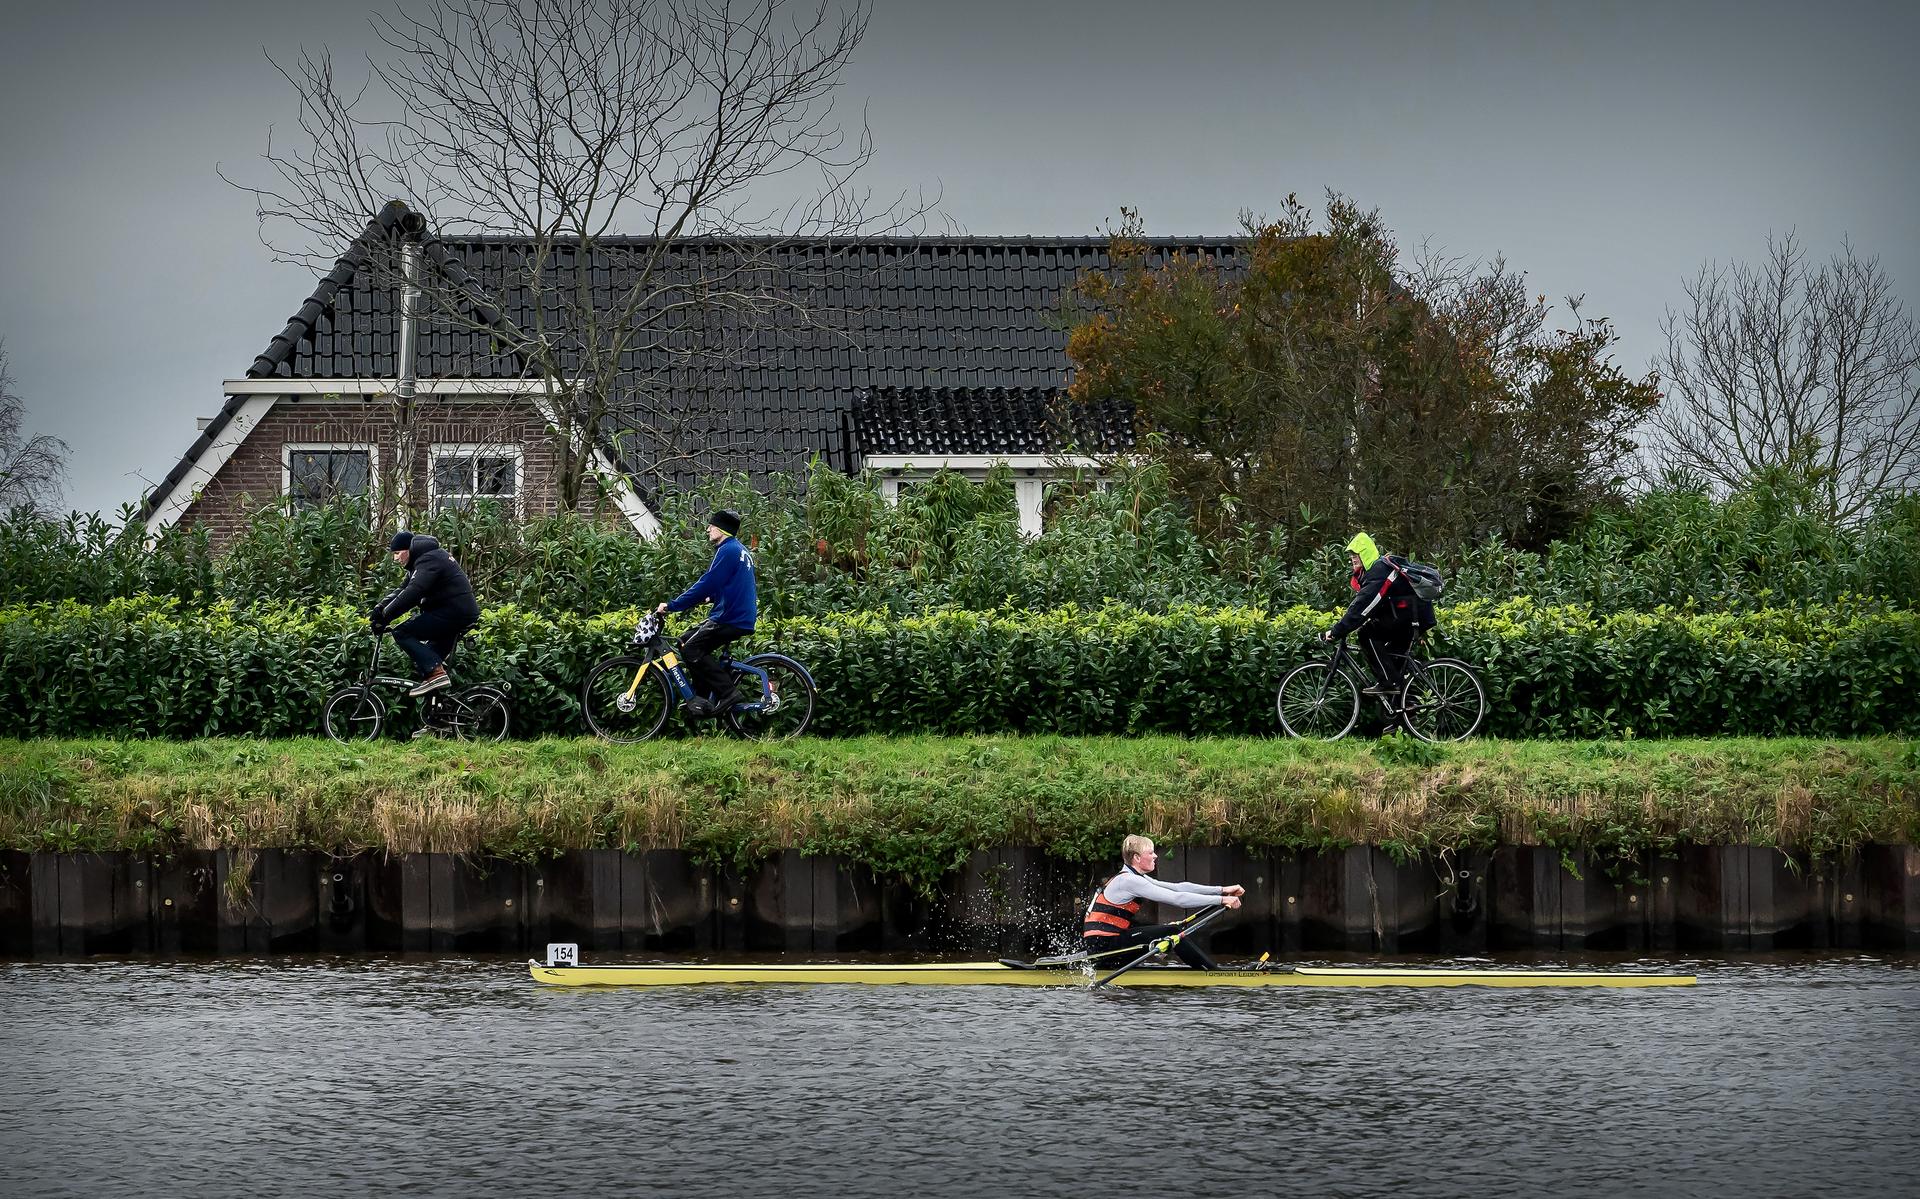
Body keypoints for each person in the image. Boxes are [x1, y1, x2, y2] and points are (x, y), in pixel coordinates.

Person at [1081, 834, 1244, 970]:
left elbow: (1178, 888)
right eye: (1151, 853)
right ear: (1137, 858)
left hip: (1108, 944)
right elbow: (1178, 899)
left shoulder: (1134, 878)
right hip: (1104, 948)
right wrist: (1222, 900)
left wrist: (1222, 890)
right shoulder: (1129, 881)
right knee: (1172, 932)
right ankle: (1213, 973)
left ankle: (1208, 970)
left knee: (1172, 929)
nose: (1156, 856)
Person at [656, 508, 757, 718]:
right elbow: (727, 584)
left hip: (730, 617)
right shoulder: (738, 550)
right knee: (685, 641)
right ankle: (700, 700)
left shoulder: (727, 550)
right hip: (736, 614)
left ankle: (728, 692)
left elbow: (707, 582)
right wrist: (711, 598)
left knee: (692, 649)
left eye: (712, 525)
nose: (708, 529)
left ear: (722, 529)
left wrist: (673, 605)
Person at [371, 531, 480, 697]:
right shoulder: (422, 562)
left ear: (409, 549)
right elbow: (402, 590)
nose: (396, 559)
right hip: (454, 613)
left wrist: (386, 616)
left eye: (397, 553)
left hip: (453, 613)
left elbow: (414, 592)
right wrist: (379, 609)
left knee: (402, 632)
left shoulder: (429, 560)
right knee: (425, 663)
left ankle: (436, 672)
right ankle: (438, 715)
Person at [1325, 531, 1421, 696]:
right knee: (1390, 660)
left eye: (1356, 555)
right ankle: (1406, 705)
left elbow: (1363, 606)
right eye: (1351, 555)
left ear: (1365, 554)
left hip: (1407, 618)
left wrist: (1336, 631)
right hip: (1408, 616)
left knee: (1366, 635)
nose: (1352, 558)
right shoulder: (1376, 571)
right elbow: (1370, 606)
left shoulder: (1378, 571)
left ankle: (1388, 683)